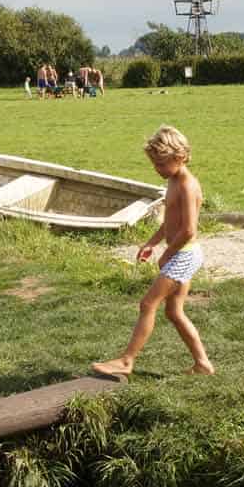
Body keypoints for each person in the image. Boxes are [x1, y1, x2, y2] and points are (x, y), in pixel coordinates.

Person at [91, 125, 215, 380]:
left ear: (179, 158)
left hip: (184, 254)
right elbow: (171, 222)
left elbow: (190, 229)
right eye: (154, 164)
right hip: (183, 252)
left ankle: (126, 361)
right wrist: (151, 243)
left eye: (161, 164)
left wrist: (169, 252)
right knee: (174, 312)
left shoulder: (187, 186)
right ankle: (202, 364)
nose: (157, 169)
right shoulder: (173, 180)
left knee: (148, 304)